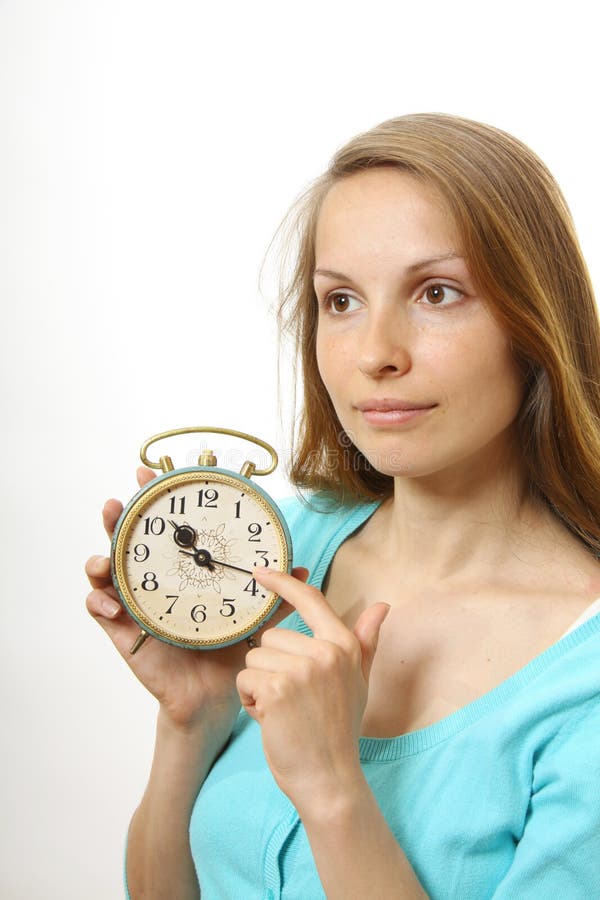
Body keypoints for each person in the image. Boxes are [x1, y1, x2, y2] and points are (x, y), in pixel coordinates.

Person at [86, 113, 600, 899]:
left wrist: (333, 791)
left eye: (437, 292)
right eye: (341, 301)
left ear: (534, 321)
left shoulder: (582, 683)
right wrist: (193, 719)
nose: (374, 354)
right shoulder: (278, 551)